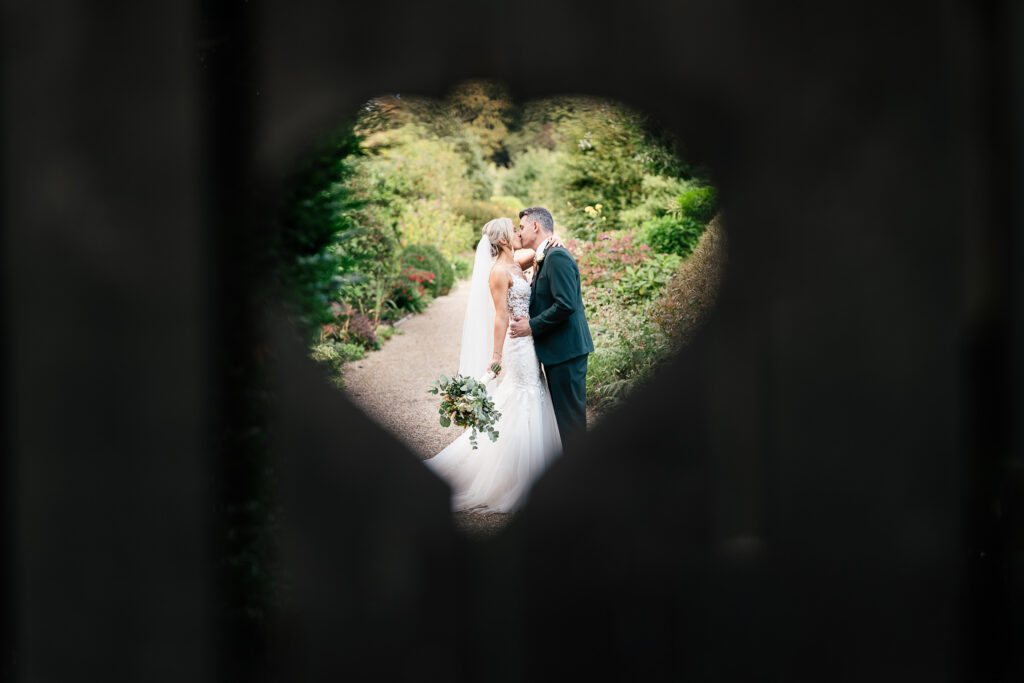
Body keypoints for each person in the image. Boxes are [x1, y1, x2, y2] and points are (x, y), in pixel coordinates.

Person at [424, 217, 566, 514]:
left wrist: (555, 240)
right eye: (513, 231)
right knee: (524, 395)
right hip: (517, 344)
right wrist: (497, 356)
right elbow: (501, 315)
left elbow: (538, 252)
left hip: (531, 341)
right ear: (503, 240)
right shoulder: (499, 272)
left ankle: (532, 472)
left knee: (532, 393)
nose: (518, 233)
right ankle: (519, 478)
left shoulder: (517, 262)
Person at [509, 206, 594, 452]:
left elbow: (566, 304)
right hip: (557, 350)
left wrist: (531, 326)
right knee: (563, 421)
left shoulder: (556, 256)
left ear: (536, 226)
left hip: (567, 351)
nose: (520, 232)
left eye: (522, 227)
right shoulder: (542, 255)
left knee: (571, 422)